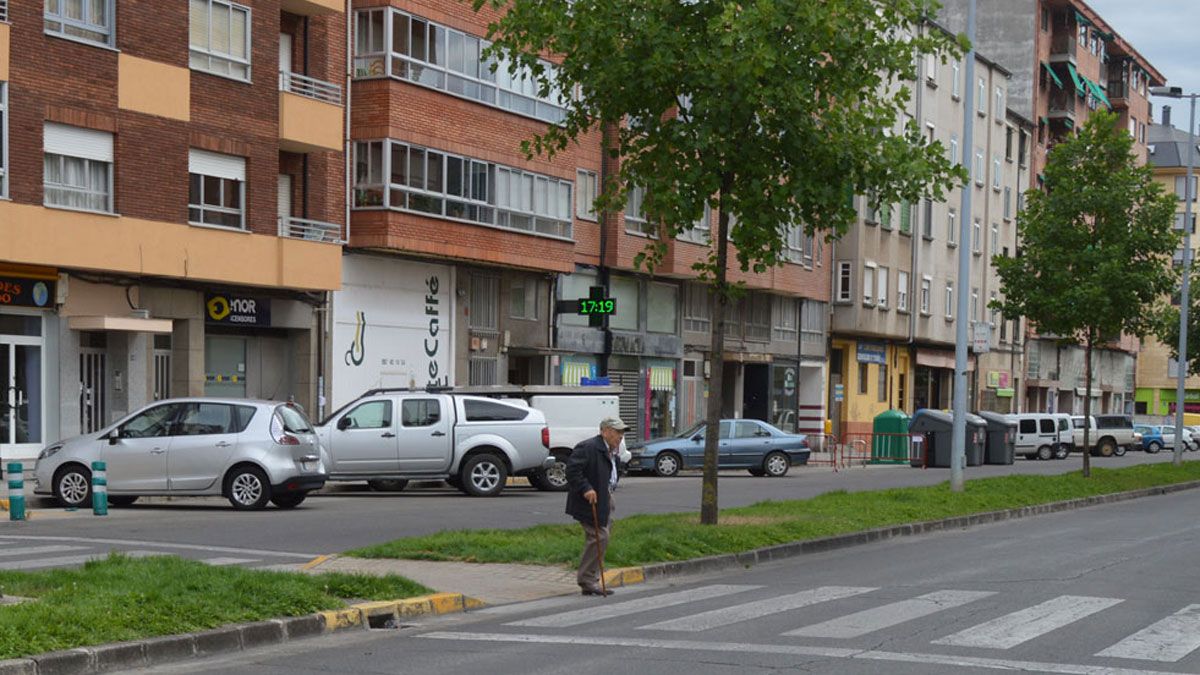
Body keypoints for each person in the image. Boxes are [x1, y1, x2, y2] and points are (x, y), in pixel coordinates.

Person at [565, 416, 627, 596]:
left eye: (622, 433)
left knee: (601, 537)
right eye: (617, 432)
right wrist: (586, 488)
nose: (620, 436)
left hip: (604, 497)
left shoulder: (611, 451)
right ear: (605, 431)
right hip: (588, 500)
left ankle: (590, 579)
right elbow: (572, 470)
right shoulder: (589, 447)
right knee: (600, 537)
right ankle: (587, 580)